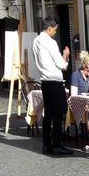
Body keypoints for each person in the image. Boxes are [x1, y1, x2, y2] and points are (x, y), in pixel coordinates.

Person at [32, 16, 71, 155]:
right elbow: (61, 65)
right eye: (54, 30)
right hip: (55, 81)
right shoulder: (50, 42)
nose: (55, 32)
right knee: (60, 112)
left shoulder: (35, 41)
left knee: (48, 114)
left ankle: (47, 144)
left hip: (45, 81)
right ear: (49, 28)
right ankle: (57, 144)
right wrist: (65, 56)